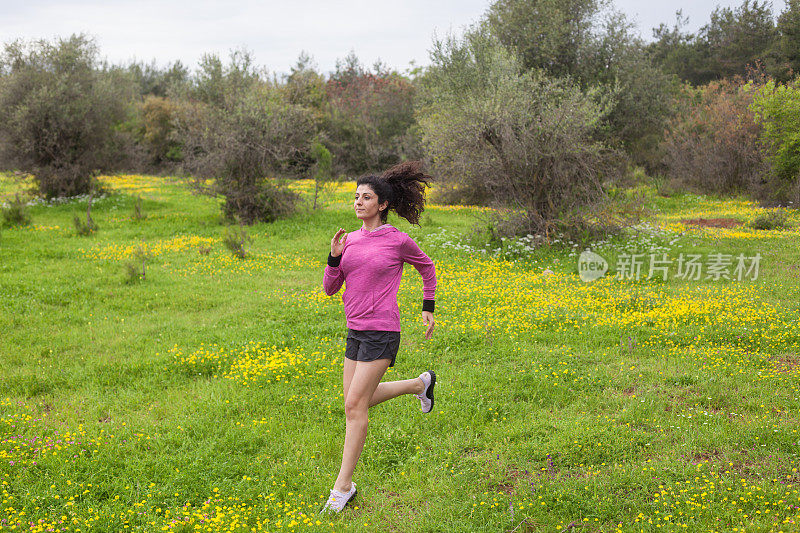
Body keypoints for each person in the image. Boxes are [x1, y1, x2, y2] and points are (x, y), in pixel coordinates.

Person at [320, 160, 438, 514]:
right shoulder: (349, 241)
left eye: (366, 197)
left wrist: (427, 305)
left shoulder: (397, 240)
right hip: (355, 330)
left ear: (382, 204)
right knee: (357, 402)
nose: (358, 202)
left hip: (382, 330)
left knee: (354, 407)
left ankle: (343, 487)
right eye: (356, 196)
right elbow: (330, 288)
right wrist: (333, 257)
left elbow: (427, 266)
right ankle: (421, 384)